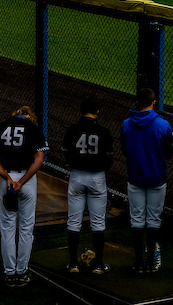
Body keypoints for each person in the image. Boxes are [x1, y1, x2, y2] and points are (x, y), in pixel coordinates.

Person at [0, 105, 48, 287]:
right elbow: (39, 159)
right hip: (26, 180)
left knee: (7, 228)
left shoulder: (2, 127)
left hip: (7, 181)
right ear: (29, 117)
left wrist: (7, 177)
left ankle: (9, 272)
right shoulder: (34, 129)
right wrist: (22, 180)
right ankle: (21, 272)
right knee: (26, 228)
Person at [120, 88, 173, 275]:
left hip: (135, 177)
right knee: (153, 219)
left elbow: (124, 149)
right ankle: (152, 261)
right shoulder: (163, 125)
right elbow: (168, 151)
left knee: (136, 218)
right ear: (154, 102)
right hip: (157, 178)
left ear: (137, 102)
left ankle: (138, 262)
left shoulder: (126, 124)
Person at [62, 98, 115, 275]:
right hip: (97, 178)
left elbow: (66, 153)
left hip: (77, 176)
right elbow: (109, 158)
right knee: (98, 222)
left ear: (81, 111)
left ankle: (72, 264)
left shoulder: (72, 130)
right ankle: (99, 264)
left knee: (74, 221)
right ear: (97, 112)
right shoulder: (104, 131)